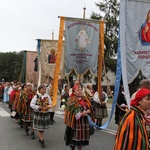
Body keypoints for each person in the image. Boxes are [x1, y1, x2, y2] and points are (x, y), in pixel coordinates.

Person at [64, 85, 95, 150]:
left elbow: (89, 107)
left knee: (80, 142)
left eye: (80, 90)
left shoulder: (85, 99)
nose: (80, 91)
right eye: (78, 90)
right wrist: (81, 114)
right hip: (75, 123)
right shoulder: (71, 100)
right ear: (74, 92)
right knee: (75, 139)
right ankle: (72, 146)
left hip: (84, 123)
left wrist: (88, 111)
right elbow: (70, 113)